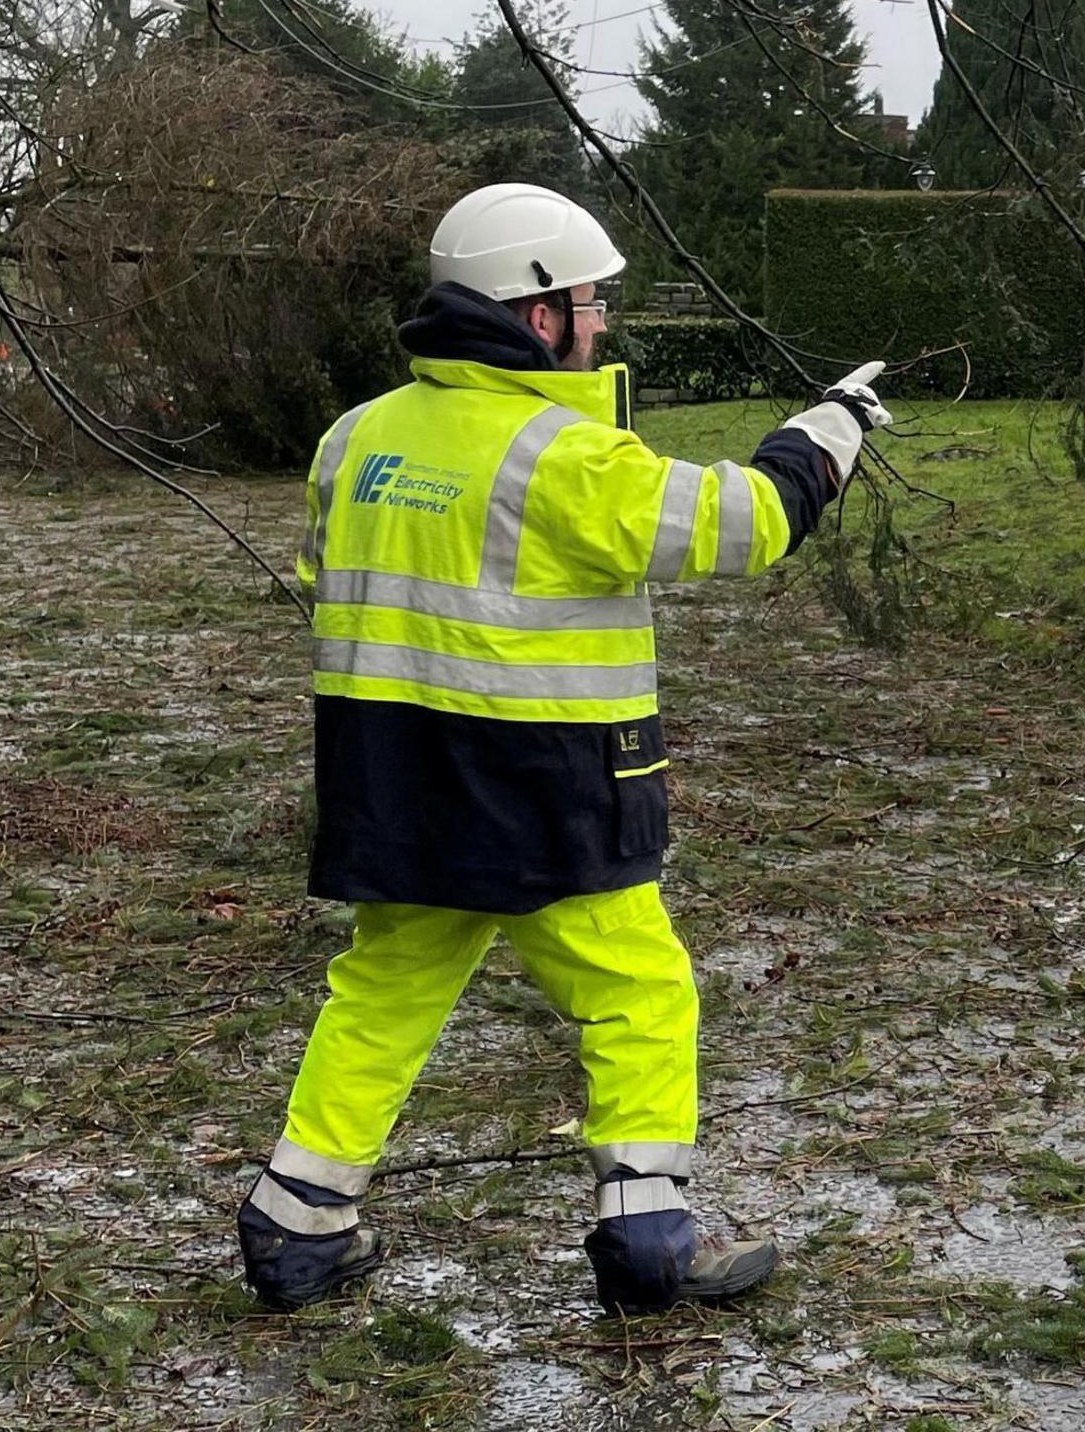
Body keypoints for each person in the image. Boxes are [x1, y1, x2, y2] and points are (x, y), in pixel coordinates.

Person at [237, 182, 893, 1316]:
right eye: (590, 303)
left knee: (381, 996)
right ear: (537, 314)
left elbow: (321, 584)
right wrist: (825, 434)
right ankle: (649, 1242)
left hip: (392, 789)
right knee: (640, 994)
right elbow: (744, 525)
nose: (601, 323)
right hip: (544, 796)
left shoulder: (355, 439)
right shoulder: (568, 457)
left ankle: (296, 1229)